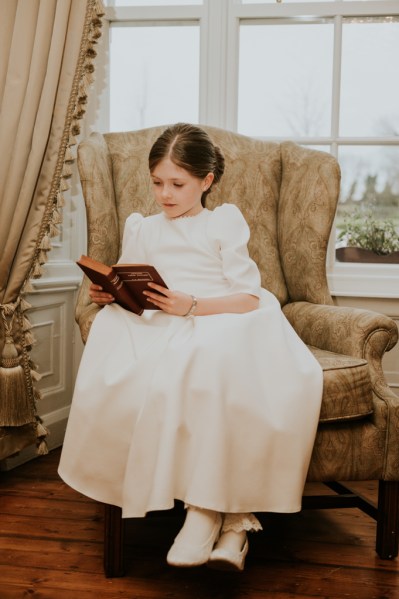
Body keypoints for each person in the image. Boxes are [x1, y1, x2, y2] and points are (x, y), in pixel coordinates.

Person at [58, 123, 323, 572]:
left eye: (178, 184)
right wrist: (110, 293)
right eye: (157, 182)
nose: (165, 194)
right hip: (161, 320)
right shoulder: (141, 227)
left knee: (208, 355)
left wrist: (192, 305)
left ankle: (209, 512)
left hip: (221, 314)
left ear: (206, 181)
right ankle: (224, 518)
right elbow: (131, 278)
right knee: (131, 349)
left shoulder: (222, 221)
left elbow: (249, 296)